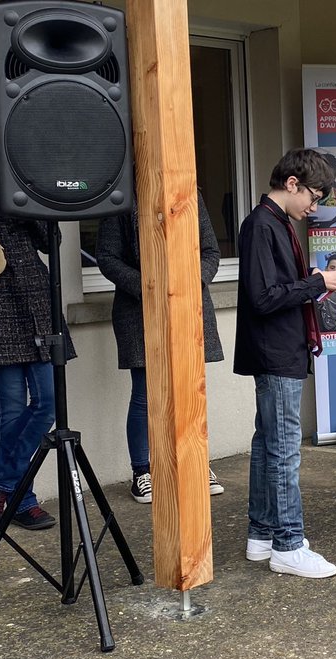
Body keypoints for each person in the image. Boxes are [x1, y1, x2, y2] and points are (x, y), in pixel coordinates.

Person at [235, 148, 336, 578]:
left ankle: (262, 535)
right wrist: (316, 282)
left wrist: (313, 284)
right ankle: (287, 544)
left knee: (268, 444)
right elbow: (264, 298)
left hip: (279, 349)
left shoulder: (273, 223)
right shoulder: (262, 225)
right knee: (283, 450)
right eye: (313, 197)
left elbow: (273, 292)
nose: (314, 207)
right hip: (276, 351)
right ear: (291, 184)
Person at [97, 194, 227, 504]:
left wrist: (190, 282)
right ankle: (143, 472)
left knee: (190, 389)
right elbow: (106, 257)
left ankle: (195, 464)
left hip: (189, 307)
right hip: (139, 308)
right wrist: (149, 286)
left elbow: (210, 251)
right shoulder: (122, 199)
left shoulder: (191, 195)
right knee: (145, 394)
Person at [0, 217, 69, 531]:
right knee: (9, 411)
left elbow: (51, 241)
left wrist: (30, 203)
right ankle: (23, 501)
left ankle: (4, 486)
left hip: (36, 298)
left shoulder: (21, 180)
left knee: (49, 402)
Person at [316, 253, 336, 332]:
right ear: (326, 269)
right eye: (332, 268)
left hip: (334, 332)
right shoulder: (316, 287)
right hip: (317, 330)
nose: (334, 272)